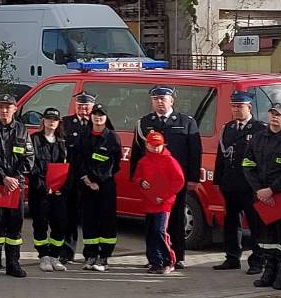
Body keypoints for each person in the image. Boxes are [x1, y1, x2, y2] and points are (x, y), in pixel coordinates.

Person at [128, 86, 202, 270]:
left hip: (175, 181)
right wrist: (135, 178)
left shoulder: (186, 122)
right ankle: (154, 257)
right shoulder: (144, 123)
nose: (159, 102)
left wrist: (193, 178)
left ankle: (178, 256)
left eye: (163, 98)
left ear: (172, 101)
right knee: (152, 221)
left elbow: (195, 151)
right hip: (151, 183)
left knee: (177, 218)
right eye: (156, 99)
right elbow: (137, 152)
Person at [245, 103, 281, 291]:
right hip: (262, 196)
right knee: (266, 235)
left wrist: (272, 189)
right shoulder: (258, 138)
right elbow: (247, 164)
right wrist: (259, 190)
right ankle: (269, 270)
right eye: (272, 114)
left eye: (278, 115)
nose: (274, 117)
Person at [213, 91, 266, 272]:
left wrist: (260, 185)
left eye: (239, 106)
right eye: (233, 106)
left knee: (255, 223)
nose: (235, 110)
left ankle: (258, 260)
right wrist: (218, 180)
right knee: (231, 222)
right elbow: (221, 156)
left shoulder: (259, 129)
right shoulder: (228, 128)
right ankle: (232, 257)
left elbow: (262, 159)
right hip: (230, 183)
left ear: (249, 107)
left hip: (250, 185)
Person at [0, 94, 30, 279]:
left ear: (15, 109)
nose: (4, 110)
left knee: (15, 226)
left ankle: (13, 264)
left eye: (8, 107)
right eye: (1, 106)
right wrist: (3, 178)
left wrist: (15, 178)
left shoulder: (21, 130)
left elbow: (29, 157)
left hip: (16, 186)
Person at [74, 105, 121, 272]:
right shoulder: (83, 135)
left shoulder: (112, 137)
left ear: (106, 118)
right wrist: (86, 178)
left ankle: (104, 257)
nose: (98, 117)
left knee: (106, 221)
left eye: (101, 115)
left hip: (105, 185)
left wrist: (97, 179)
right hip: (87, 184)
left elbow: (114, 164)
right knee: (89, 221)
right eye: (95, 114)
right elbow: (77, 159)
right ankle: (90, 255)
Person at [131, 131, 184, 275]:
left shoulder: (170, 160)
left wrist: (164, 196)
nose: (155, 148)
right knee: (150, 233)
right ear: (147, 145)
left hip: (163, 204)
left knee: (160, 231)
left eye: (158, 145)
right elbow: (136, 178)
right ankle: (155, 262)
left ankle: (169, 261)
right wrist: (141, 182)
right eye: (153, 145)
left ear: (163, 145)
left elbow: (179, 181)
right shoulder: (143, 161)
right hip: (149, 202)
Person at [27, 108, 71, 272]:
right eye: (48, 119)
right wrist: (45, 187)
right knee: (40, 224)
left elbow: (68, 167)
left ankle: (55, 256)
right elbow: (31, 166)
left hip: (58, 192)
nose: (51, 122)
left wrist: (61, 188)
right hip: (40, 191)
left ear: (59, 122)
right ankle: (43, 256)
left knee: (60, 223)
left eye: (54, 119)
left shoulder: (63, 142)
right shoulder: (34, 139)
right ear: (43, 121)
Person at [59, 91, 97, 264]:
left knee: (90, 217)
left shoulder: (97, 123)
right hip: (71, 178)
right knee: (69, 216)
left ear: (92, 106)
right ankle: (67, 252)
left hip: (90, 178)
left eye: (86, 106)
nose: (83, 109)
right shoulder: (66, 123)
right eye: (80, 105)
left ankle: (91, 253)